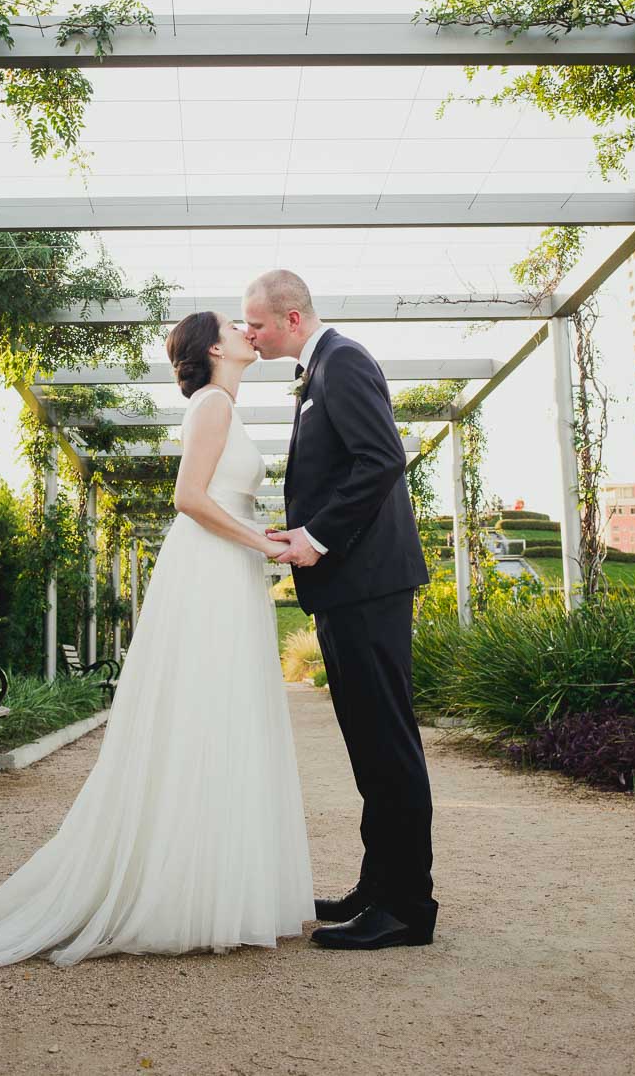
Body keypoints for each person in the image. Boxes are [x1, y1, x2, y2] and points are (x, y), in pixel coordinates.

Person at [0, 311, 314, 965]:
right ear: (215, 347)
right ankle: (186, 890)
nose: (247, 330)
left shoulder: (223, 406)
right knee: (206, 711)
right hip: (211, 564)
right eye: (237, 325)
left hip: (227, 563)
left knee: (223, 715)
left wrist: (264, 539)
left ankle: (214, 885)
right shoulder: (212, 405)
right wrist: (263, 541)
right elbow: (190, 497)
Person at [243, 270, 438, 952]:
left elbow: (382, 459)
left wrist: (317, 537)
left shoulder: (343, 360)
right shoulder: (317, 368)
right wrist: (299, 534)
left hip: (366, 583)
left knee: (387, 744)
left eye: (257, 324)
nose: (249, 333)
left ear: (292, 318)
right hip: (350, 587)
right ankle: (377, 887)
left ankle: (409, 907)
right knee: (369, 746)